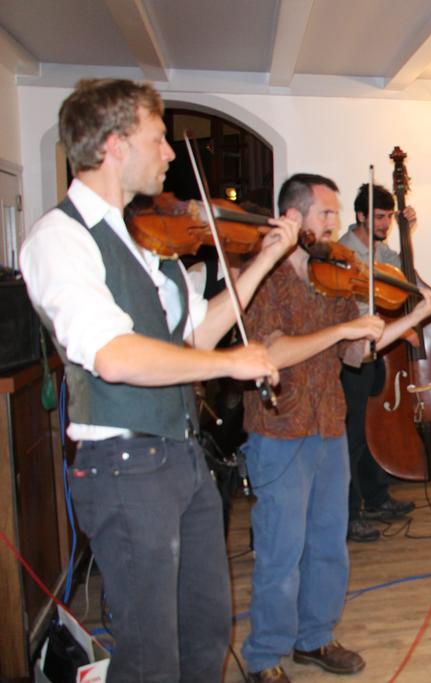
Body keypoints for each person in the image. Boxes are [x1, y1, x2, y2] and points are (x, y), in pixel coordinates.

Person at [19, 78, 298, 682]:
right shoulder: (60, 239)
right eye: (159, 138)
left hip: (182, 458)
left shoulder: (148, 241)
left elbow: (194, 339)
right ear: (115, 144)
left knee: (204, 630)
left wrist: (265, 261)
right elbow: (116, 357)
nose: (171, 152)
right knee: (151, 653)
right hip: (122, 465)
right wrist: (232, 364)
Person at [241, 173, 431, 683]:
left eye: (335, 215)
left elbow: (357, 351)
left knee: (329, 543)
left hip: (329, 424)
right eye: (326, 214)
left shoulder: (327, 273)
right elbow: (269, 351)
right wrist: (344, 327)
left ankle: (314, 637)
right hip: (279, 429)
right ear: (294, 218)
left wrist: (413, 316)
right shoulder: (262, 276)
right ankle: (264, 656)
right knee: (280, 550)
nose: (335, 224)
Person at [337, 183, 417, 542]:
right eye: (380, 217)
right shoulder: (343, 253)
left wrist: (406, 233)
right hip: (351, 354)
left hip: (376, 352)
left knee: (370, 431)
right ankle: (349, 515)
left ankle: (376, 497)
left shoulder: (383, 251)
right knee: (352, 437)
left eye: (389, 217)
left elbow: (407, 280)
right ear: (361, 216)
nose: (385, 223)